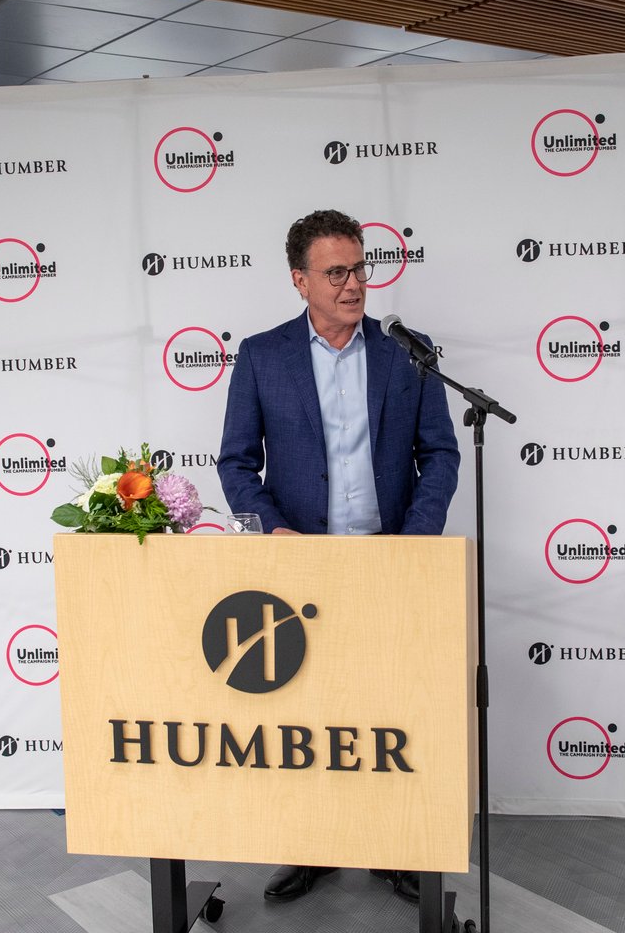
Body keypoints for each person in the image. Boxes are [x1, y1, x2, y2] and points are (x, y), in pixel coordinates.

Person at [217, 209, 461, 902]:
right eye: (337, 272)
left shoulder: (405, 353)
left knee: (392, 712)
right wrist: (272, 531)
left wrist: (414, 545)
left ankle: (394, 848)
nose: (355, 284)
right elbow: (235, 464)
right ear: (300, 281)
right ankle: (313, 845)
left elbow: (439, 454)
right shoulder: (263, 356)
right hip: (301, 570)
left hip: (388, 563)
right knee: (307, 717)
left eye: (360, 268)